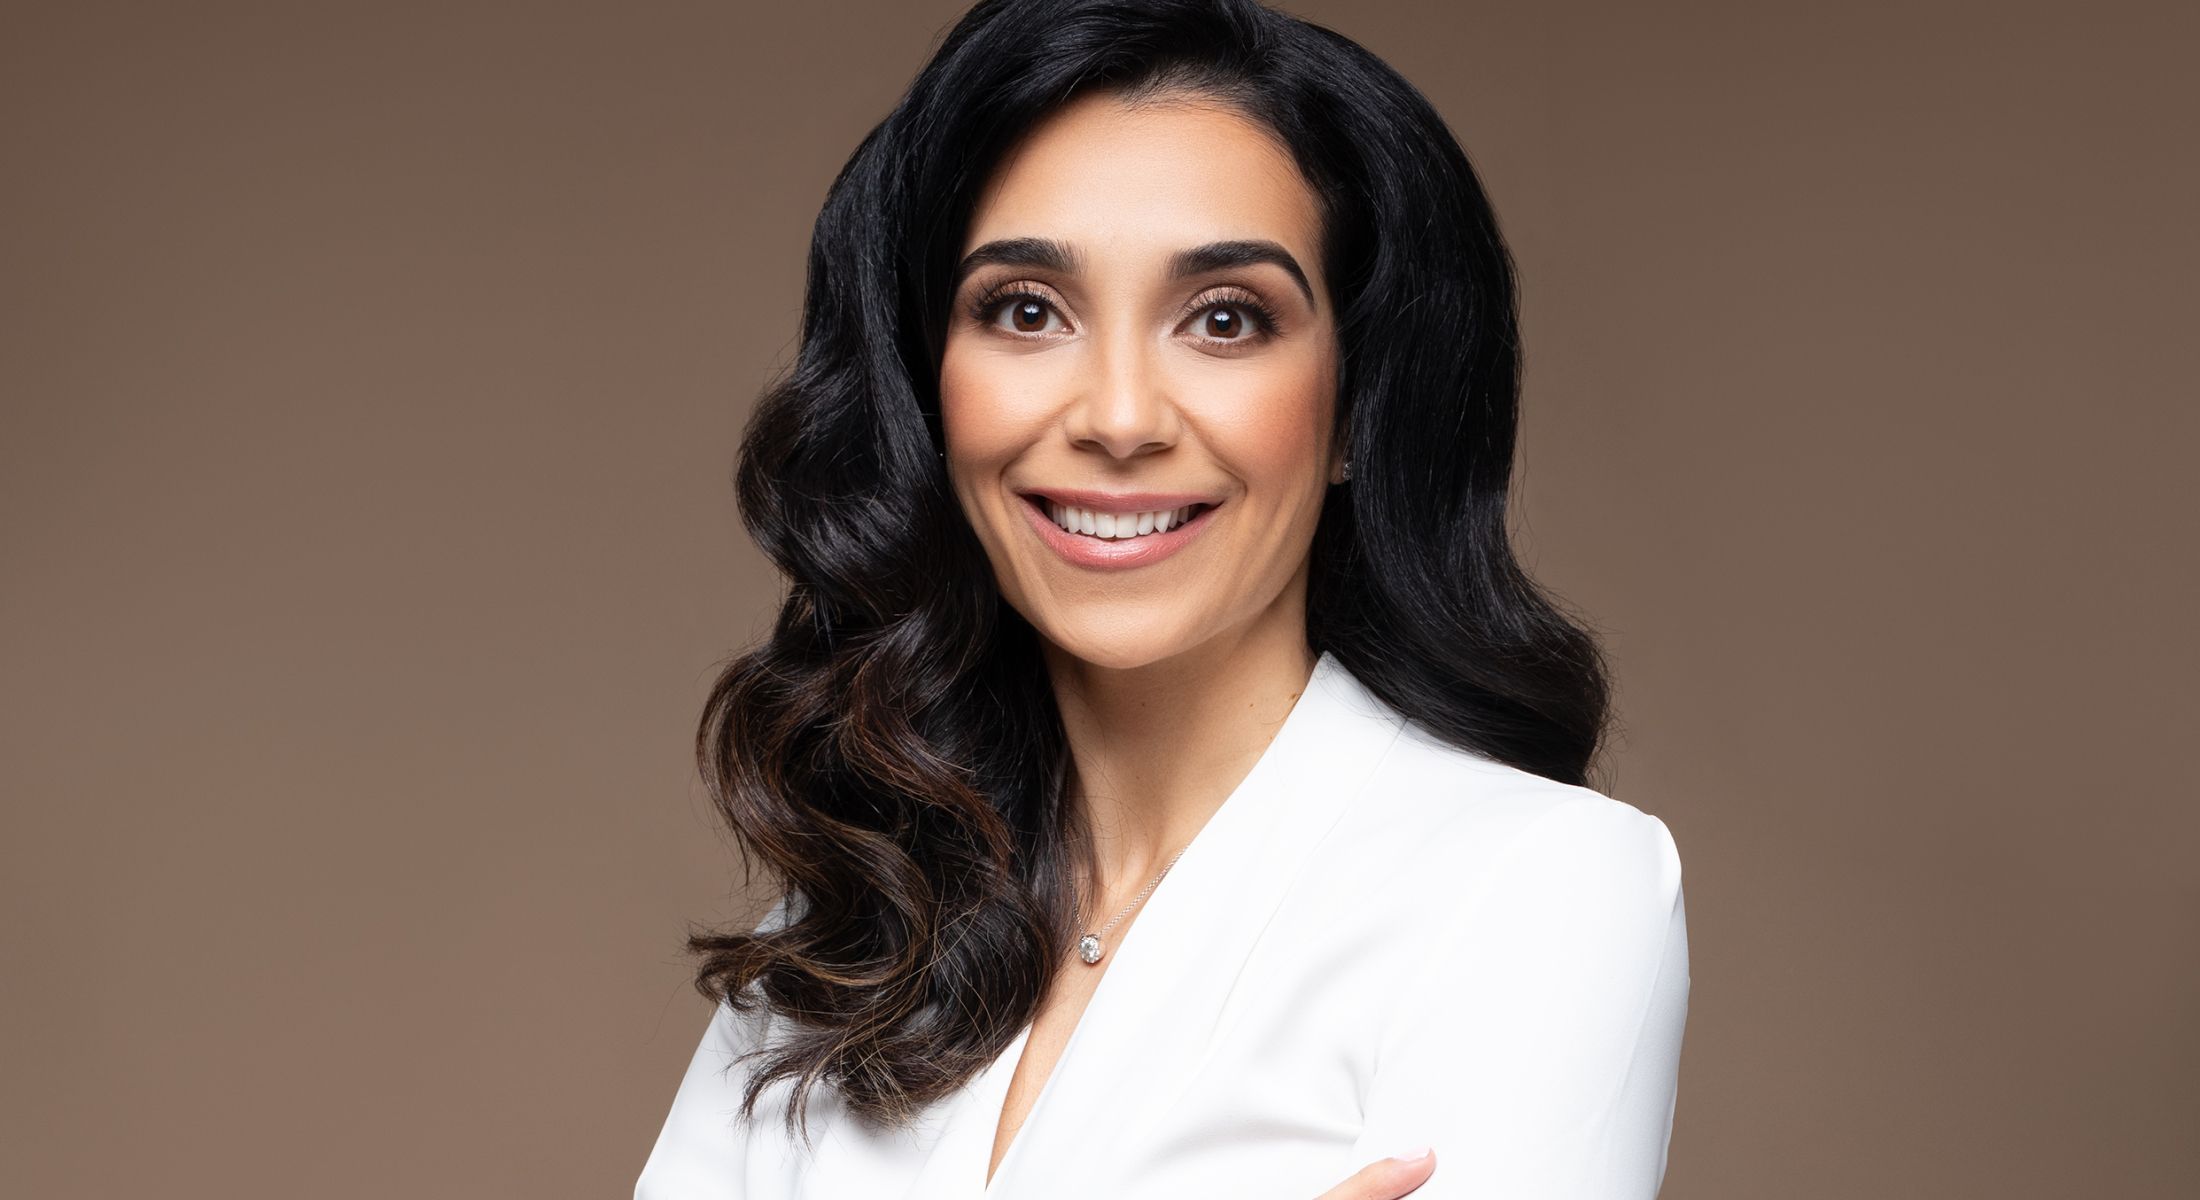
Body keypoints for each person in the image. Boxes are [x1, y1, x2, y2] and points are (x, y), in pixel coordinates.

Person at [634, 1, 1689, 1196]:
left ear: (1357, 407)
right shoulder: (848, 932)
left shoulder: (1537, 890)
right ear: (927, 389)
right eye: (1026, 310)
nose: (1120, 418)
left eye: (1224, 319)